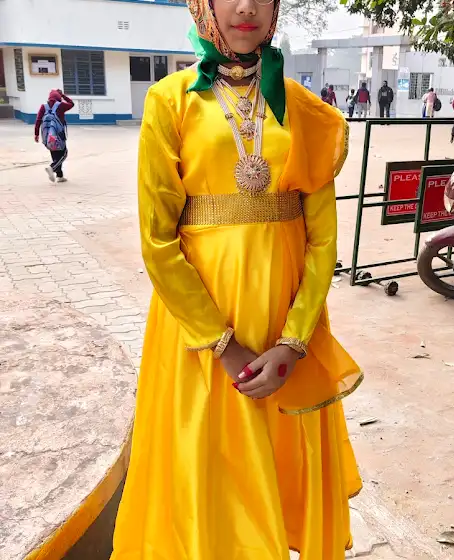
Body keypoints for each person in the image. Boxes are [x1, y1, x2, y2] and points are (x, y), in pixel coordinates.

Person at [111, 0, 363, 559]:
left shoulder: (305, 110)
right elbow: (158, 240)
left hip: (284, 325)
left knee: (273, 464)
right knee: (207, 469)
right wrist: (221, 344)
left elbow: (322, 240)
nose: (246, 7)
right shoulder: (170, 100)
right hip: (200, 332)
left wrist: (294, 341)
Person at [34, 89, 74, 183]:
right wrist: (63, 95)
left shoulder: (43, 106)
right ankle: (52, 168)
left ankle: (59, 176)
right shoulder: (61, 105)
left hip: (48, 135)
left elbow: (38, 120)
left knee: (55, 154)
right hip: (59, 134)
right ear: (58, 97)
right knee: (64, 153)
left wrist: (36, 134)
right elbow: (71, 104)